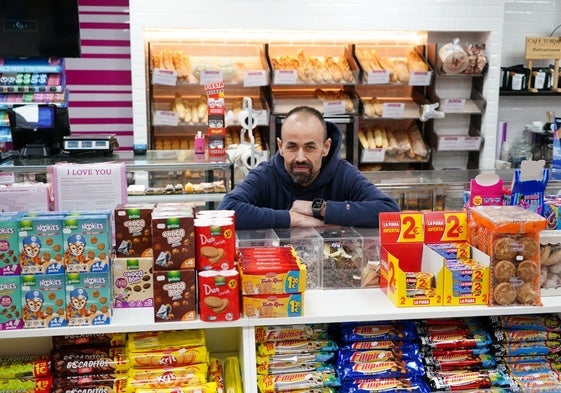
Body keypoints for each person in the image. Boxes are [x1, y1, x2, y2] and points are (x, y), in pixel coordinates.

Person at [218, 105, 400, 229]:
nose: (300, 157)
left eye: (310, 147)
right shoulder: (266, 175)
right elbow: (226, 210)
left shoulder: (343, 174)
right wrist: (291, 218)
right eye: (292, 147)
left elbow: (389, 211)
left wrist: (319, 208)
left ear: (326, 147)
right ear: (280, 147)